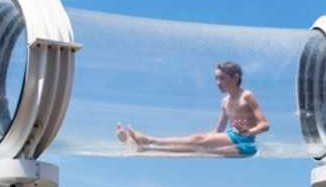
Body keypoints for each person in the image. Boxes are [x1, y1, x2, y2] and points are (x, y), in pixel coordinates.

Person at [115, 61, 269, 157]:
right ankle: (144, 148)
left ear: (235, 77)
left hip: (245, 141)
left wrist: (249, 132)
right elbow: (218, 131)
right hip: (232, 136)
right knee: (195, 146)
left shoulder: (247, 96)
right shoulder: (225, 101)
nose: (218, 82)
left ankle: (149, 140)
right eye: (216, 78)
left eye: (222, 78)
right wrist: (200, 137)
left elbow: (264, 125)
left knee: (197, 142)